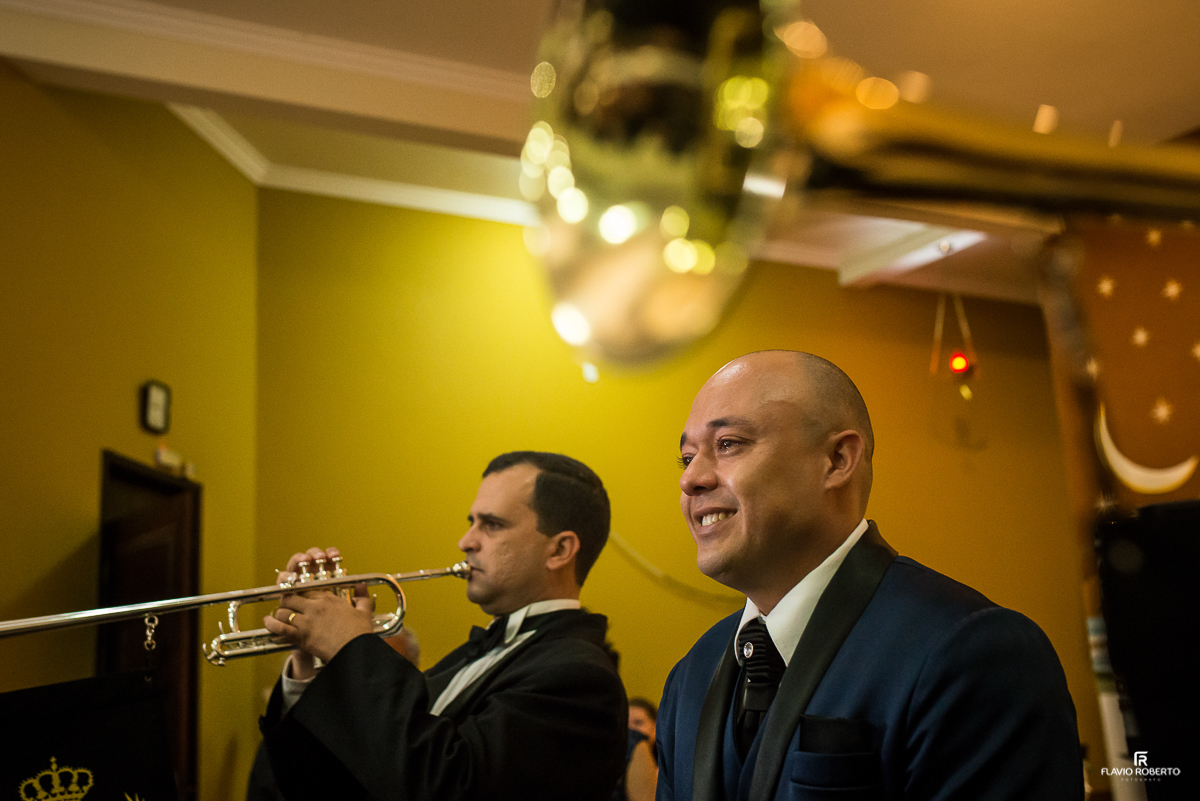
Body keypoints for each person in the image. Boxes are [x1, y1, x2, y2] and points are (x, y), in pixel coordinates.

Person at [657, 351, 1082, 801]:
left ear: (838, 460)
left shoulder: (972, 653)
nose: (692, 480)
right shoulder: (694, 672)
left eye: (728, 444)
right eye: (687, 458)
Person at [256, 451, 628, 801]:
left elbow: (447, 787)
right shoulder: (465, 660)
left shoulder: (581, 679)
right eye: (472, 522)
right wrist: (309, 669)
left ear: (560, 550)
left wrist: (353, 649)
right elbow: (334, 787)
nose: (465, 541)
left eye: (492, 525)